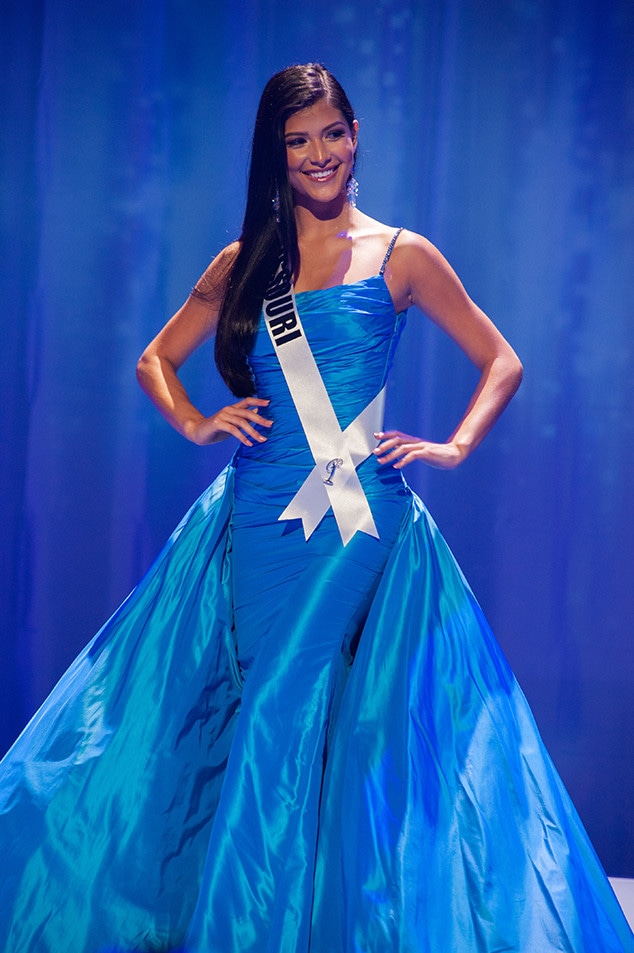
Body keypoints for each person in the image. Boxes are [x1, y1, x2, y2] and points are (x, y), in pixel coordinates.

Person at [0, 63, 632, 953]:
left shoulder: (403, 255)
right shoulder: (244, 264)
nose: (319, 154)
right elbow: (154, 359)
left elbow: (503, 360)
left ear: (356, 132)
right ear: (277, 151)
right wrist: (197, 421)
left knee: (279, 707)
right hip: (257, 519)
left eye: (332, 132)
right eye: (298, 141)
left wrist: (454, 446)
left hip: (358, 522)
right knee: (278, 714)